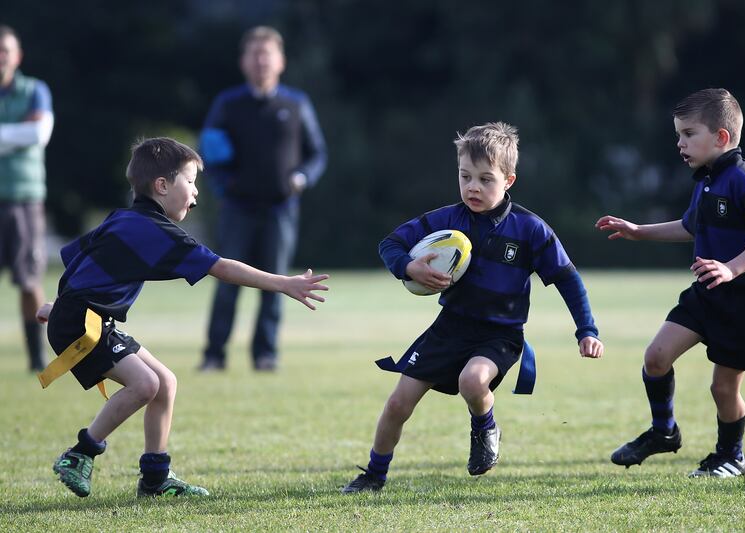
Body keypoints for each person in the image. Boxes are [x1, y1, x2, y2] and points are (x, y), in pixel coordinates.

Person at [36, 138, 329, 498]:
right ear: (162, 186)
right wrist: (282, 282)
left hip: (83, 317)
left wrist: (58, 305)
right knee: (145, 385)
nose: (195, 194)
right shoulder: (157, 231)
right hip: (83, 321)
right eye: (190, 182)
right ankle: (81, 453)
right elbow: (221, 267)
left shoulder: (123, 218)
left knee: (165, 383)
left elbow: (80, 260)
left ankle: (156, 478)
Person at [341, 122, 604, 493]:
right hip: (450, 327)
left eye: (485, 179)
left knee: (472, 380)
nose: (472, 187)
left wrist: (586, 330)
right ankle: (374, 475)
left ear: (508, 180)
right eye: (465, 177)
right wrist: (408, 266)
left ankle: (484, 427)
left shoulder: (530, 230)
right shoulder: (447, 219)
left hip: (500, 334)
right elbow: (391, 243)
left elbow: (567, 279)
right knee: (399, 402)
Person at [596, 88, 745, 478]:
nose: (680, 143)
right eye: (678, 135)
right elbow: (689, 227)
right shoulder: (707, 180)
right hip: (707, 295)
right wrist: (638, 231)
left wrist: (732, 268)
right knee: (656, 357)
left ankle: (731, 456)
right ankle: (664, 432)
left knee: (722, 389)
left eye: (688, 134)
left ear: (721, 137)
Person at [198, 26, 327, 372]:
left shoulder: (296, 103)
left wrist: (302, 178)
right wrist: (226, 188)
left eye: (266, 54)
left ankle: (265, 355)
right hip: (237, 210)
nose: (260, 61)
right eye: (254, 54)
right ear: (243, 62)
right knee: (227, 283)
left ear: (280, 61)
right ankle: (214, 356)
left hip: (281, 210)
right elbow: (208, 152)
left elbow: (317, 154)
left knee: (278, 285)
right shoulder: (227, 104)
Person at [0, 25, 54, 371]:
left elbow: (38, 133)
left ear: (16, 56)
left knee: (29, 280)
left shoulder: (35, 90)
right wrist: (14, 135)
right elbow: (24, 134)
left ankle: (37, 357)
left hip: (23, 198)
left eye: (4, 50)